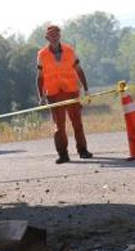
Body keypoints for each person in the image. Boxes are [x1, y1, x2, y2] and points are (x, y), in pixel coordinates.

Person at [36, 24, 94, 162]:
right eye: (51, 36)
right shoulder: (42, 54)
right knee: (59, 127)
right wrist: (41, 96)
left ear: (60, 36)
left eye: (56, 35)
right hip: (54, 94)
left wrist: (86, 90)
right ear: (47, 38)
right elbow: (40, 76)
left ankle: (83, 150)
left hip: (71, 91)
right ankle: (63, 154)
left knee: (77, 123)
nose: (54, 38)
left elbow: (79, 70)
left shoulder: (69, 50)